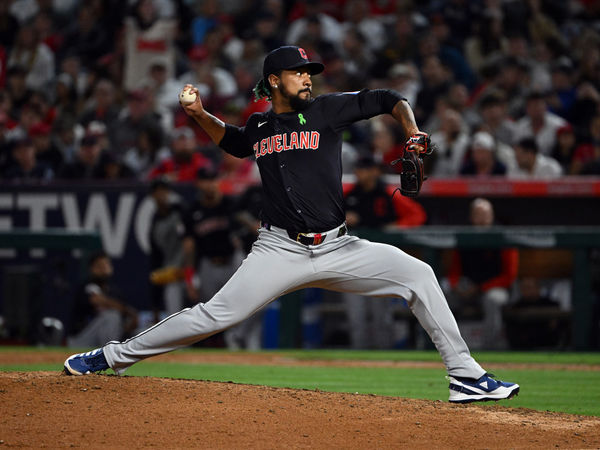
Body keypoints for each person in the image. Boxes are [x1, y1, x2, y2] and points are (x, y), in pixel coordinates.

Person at [64, 46, 519, 404]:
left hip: (340, 247)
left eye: (310, 72)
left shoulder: (325, 111)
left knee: (418, 274)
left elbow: (388, 99)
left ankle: (466, 376)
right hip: (278, 250)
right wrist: (198, 115)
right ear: (275, 80)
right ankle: (109, 356)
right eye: (300, 72)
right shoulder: (260, 126)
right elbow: (236, 143)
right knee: (215, 316)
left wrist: (412, 130)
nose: (308, 77)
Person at [445, 198, 519, 349]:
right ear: (471, 217)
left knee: (492, 300)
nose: (483, 219)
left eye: (486, 215)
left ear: (492, 216)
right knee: (443, 294)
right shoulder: (464, 237)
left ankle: (490, 348)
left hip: (498, 288)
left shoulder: (504, 237)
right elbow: (455, 270)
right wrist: (455, 286)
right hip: (469, 287)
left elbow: (509, 276)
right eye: (478, 215)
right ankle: (448, 347)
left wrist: (480, 288)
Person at [67, 251, 138, 348]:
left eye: (106, 265)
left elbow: (123, 317)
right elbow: (97, 300)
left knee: (142, 331)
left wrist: (130, 321)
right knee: (111, 316)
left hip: (104, 339)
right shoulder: (87, 286)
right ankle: (108, 355)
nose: (104, 269)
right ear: (91, 269)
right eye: (99, 266)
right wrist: (128, 311)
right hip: (81, 340)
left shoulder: (114, 291)